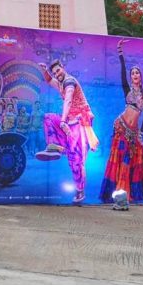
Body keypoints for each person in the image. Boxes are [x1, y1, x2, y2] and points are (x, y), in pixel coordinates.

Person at [99, 40, 143, 203]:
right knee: (122, 158)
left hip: (134, 132)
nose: (134, 75)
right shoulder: (127, 90)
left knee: (137, 160)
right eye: (132, 74)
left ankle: (128, 190)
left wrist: (141, 133)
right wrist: (120, 53)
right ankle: (120, 191)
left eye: (137, 73)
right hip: (121, 126)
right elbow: (122, 73)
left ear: (140, 76)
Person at [35, 59, 99, 204]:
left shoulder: (69, 82)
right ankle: (54, 147)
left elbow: (68, 100)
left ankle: (80, 190)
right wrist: (45, 72)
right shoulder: (60, 82)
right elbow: (49, 80)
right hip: (70, 122)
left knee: (75, 160)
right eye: (54, 73)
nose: (57, 74)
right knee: (48, 118)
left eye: (58, 71)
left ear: (63, 68)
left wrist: (63, 121)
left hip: (80, 123)